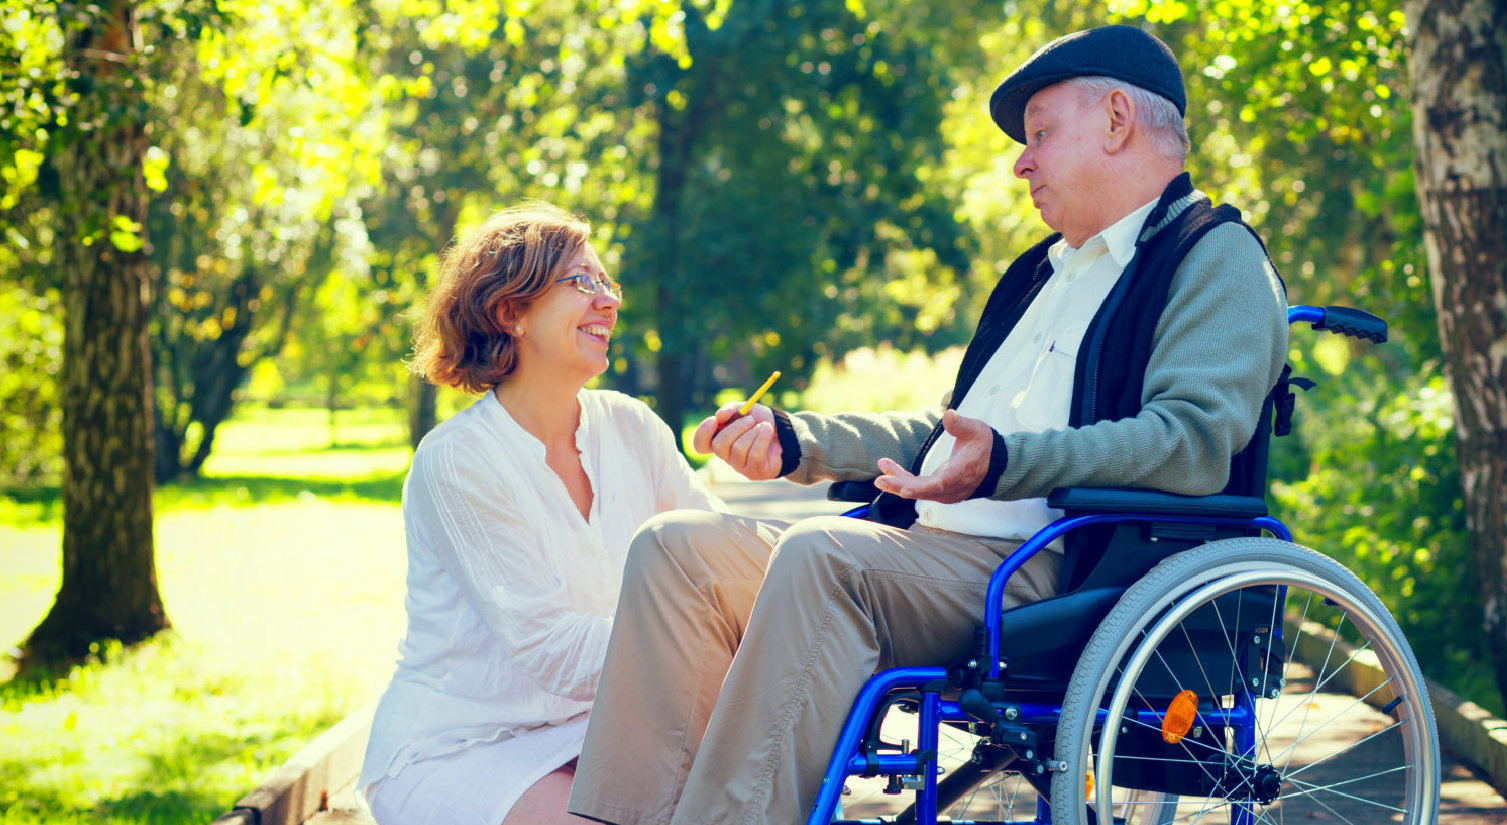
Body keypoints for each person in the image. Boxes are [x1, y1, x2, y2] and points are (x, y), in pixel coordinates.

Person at [567, 24, 1290, 825]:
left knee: (824, 557)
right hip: (932, 555)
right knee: (676, 549)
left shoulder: (1211, 257)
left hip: (1054, 567)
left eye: (1040, 134)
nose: (1021, 160)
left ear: (1118, 119)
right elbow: (951, 434)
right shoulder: (1040, 273)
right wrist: (798, 441)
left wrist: (1009, 461)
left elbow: (1188, 445)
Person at [360, 203, 727, 825]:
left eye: (609, 284)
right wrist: (692, 635)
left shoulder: (632, 427)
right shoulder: (458, 460)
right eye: (584, 282)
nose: (608, 301)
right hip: (461, 746)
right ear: (512, 312)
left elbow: (716, 555)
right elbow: (553, 649)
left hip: (592, 733)